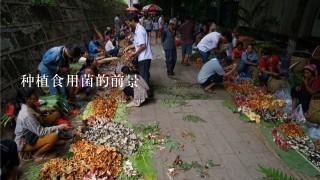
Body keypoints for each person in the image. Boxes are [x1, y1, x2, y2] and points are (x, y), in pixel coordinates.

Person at [14, 87, 72, 162]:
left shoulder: (29, 105)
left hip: (34, 132)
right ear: (27, 99)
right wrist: (60, 127)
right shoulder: (26, 115)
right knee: (53, 137)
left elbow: (37, 112)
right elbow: (41, 132)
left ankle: (52, 142)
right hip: (27, 140)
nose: (35, 95)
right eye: (33, 95)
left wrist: (46, 109)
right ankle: (37, 155)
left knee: (56, 114)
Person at [124, 13, 153, 86]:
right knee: (145, 75)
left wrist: (135, 53)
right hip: (143, 57)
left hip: (144, 57)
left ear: (133, 20)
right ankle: (146, 91)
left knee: (144, 79)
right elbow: (138, 43)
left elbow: (143, 46)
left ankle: (147, 94)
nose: (129, 24)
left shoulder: (139, 30)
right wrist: (128, 47)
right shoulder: (138, 29)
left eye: (129, 22)